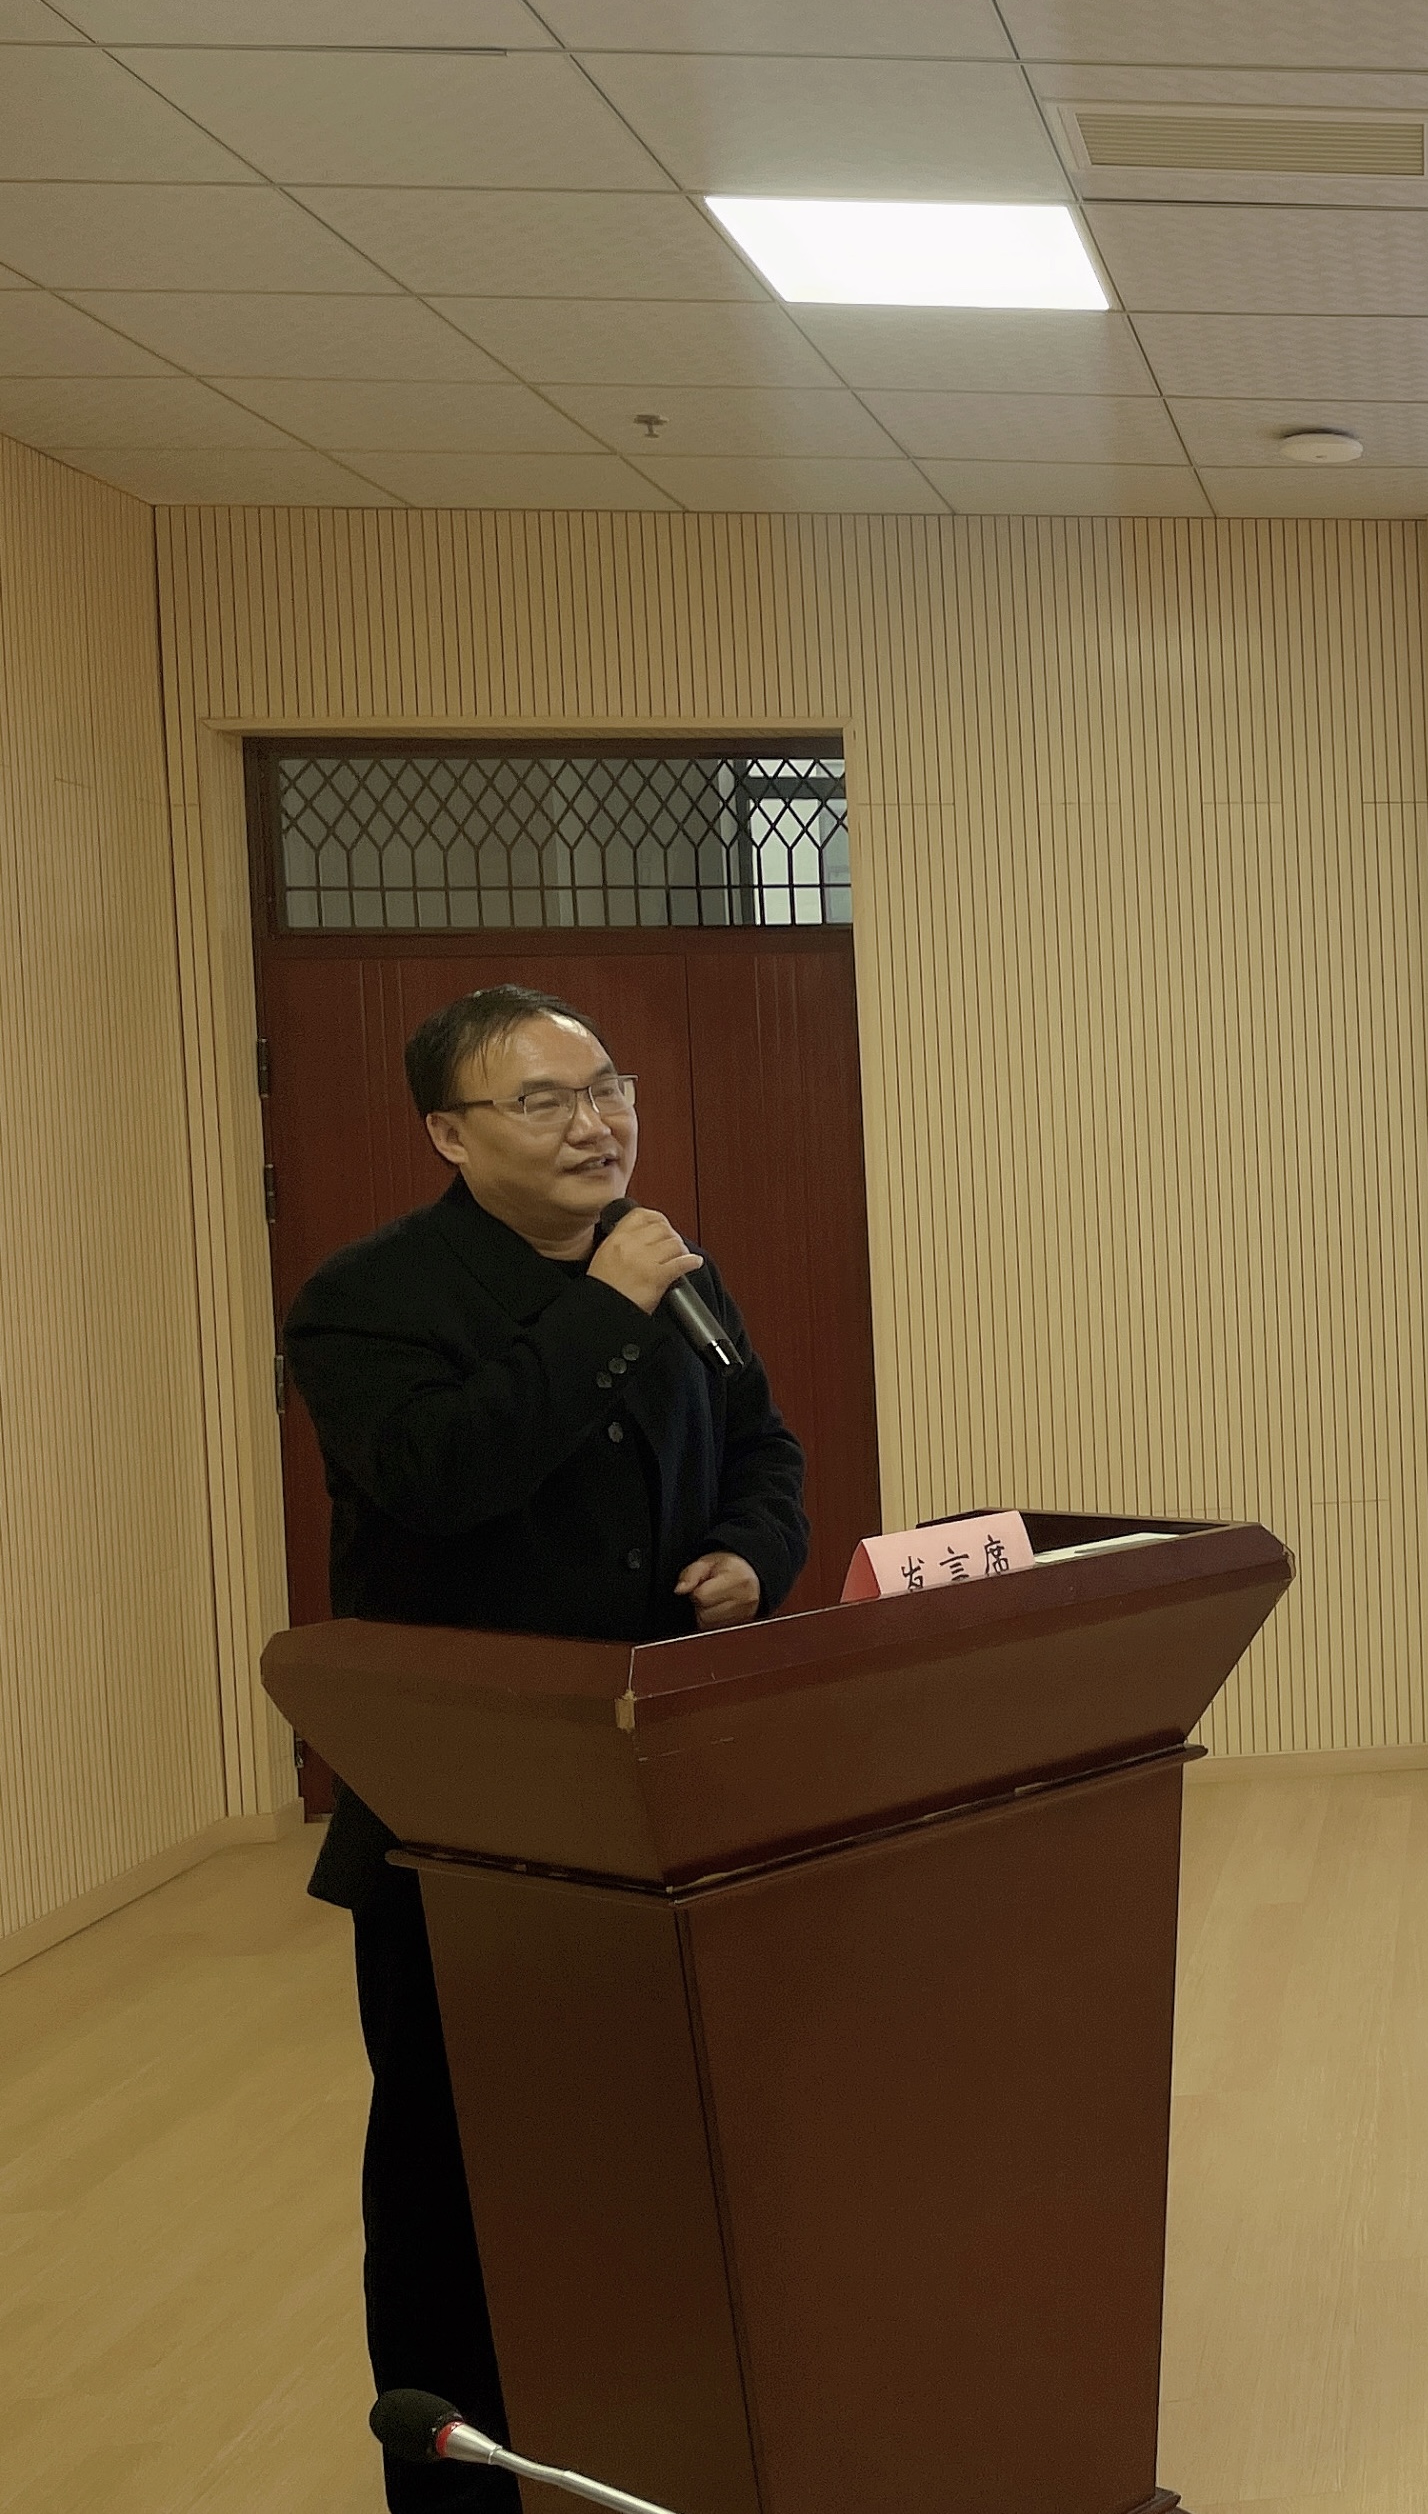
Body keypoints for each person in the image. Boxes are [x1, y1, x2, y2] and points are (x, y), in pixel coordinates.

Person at [286, 986, 810, 2513]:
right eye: (546, 1101)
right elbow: (441, 1475)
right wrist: (605, 1308)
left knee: (658, 2156)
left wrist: (753, 1553)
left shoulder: (669, 1263)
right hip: (465, 1820)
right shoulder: (367, 1297)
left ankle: (652, 2445)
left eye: (608, 1088)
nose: (598, 1123)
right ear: (449, 1135)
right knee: (455, 2181)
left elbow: (764, 1445)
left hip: (668, 1788)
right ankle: (456, 2482)